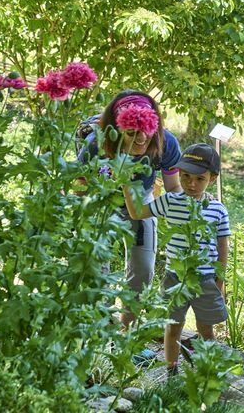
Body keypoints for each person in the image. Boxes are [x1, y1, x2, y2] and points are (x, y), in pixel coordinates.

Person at [78, 90, 182, 362]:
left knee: (143, 269)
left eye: (146, 133)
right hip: (100, 203)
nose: (141, 139)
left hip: (142, 203)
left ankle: (128, 338)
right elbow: (78, 185)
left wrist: (188, 215)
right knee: (97, 271)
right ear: (117, 129)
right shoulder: (97, 143)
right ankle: (100, 335)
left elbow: (173, 188)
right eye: (132, 134)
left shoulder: (165, 142)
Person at [121, 143, 230, 374]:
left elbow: (222, 246)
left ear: (212, 178)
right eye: (185, 176)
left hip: (206, 279)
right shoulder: (171, 201)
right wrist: (125, 184)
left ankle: (207, 372)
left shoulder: (218, 209)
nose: (191, 183)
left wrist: (220, 280)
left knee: (206, 328)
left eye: (199, 179)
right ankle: (171, 371)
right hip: (175, 278)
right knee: (172, 327)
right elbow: (137, 213)